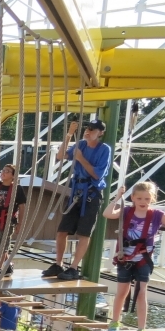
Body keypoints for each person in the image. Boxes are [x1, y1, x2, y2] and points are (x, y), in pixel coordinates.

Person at [104, 182, 165, 331]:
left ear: (153, 199)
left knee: (142, 293)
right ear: (133, 198)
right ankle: (115, 322)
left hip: (143, 259)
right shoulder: (127, 211)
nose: (143, 201)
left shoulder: (156, 214)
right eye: (139, 198)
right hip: (125, 259)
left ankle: (141, 330)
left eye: (147, 199)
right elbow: (108, 214)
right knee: (122, 292)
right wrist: (117, 198)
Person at [44, 119, 112, 280]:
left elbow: (97, 174)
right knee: (62, 231)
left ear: (100, 133)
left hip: (91, 193)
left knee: (84, 232)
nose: (88, 131)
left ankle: (73, 267)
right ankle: (58, 263)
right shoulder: (80, 144)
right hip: (76, 191)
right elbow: (61, 155)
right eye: (87, 128)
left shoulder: (104, 150)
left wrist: (81, 159)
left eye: (93, 129)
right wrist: (69, 135)